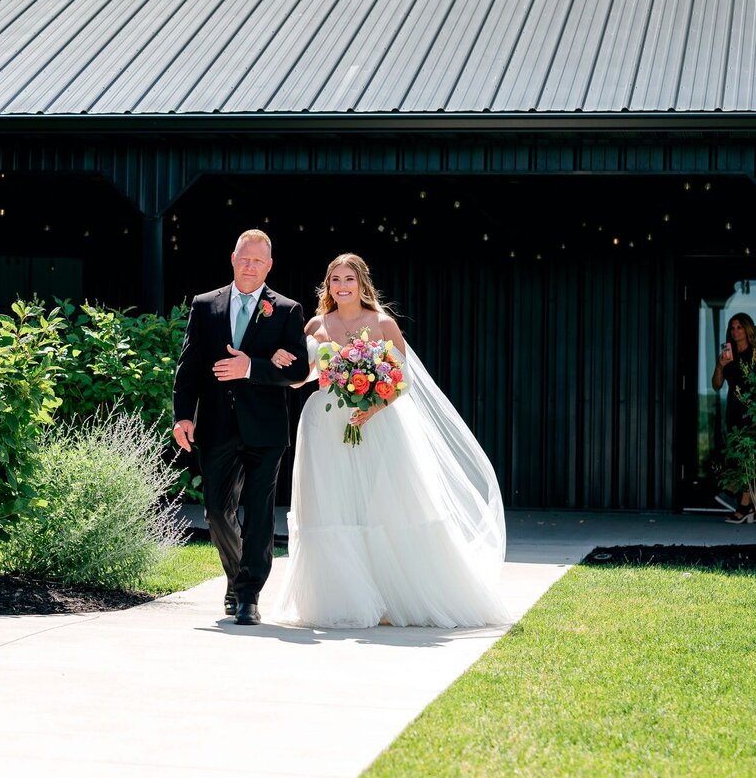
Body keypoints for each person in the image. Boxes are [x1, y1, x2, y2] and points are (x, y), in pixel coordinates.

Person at [265, 253, 511, 629]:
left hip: (376, 424)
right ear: (327, 286)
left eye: (349, 279)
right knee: (331, 507)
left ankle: (393, 596)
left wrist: (372, 408)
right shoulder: (315, 324)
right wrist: (285, 362)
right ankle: (342, 599)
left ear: (362, 284)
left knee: (382, 507)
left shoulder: (382, 324)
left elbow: (404, 380)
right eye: (335, 280)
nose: (342, 287)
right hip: (324, 424)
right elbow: (303, 378)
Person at [172, 229, 309, 625]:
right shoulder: (205, 305)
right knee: (216, 510)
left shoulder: (285, 309)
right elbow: (189, 365)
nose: (250, 266)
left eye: (258, 261)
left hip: (265, 429)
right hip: (215, 425)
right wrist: (183, 415)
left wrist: (250, 367)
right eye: (244, 259)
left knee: (260, 512)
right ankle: (236, 577)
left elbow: (299, 368)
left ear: (269, 266)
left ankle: (249, 595)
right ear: (233, 259)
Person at [713, 312, 756, 523]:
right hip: (733, 411)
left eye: (739, 327)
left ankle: (741, 501)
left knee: (749, 457)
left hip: (753, 412)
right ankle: (748, 506)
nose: (735, 331)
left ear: (747, 329)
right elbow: (716, 385)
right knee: (739, 456)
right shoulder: (728, 356)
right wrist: (720, 365)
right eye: (732, 327)